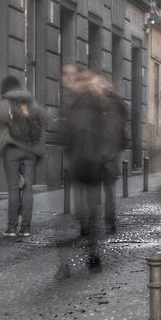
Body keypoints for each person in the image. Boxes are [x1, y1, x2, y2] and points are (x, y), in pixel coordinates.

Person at [60, 69, 126, 265]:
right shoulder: (103, 105)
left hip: (82, 162)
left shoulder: (73, 105)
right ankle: (93, 249)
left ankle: (86, 232)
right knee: (93, 205)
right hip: (95, 162)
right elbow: (112, 133)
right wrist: (105, 156)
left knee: (85, 203)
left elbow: (65, 135)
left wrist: (72, 152)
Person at [0, 75, 47, 237]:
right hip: (31, 152)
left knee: (13, 188)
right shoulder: (31, 103)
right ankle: (26, 228)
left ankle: (12, 228)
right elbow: (47, 119)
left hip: (11, 150)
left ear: (5, 89)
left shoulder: (5, 103)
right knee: (28, 189)